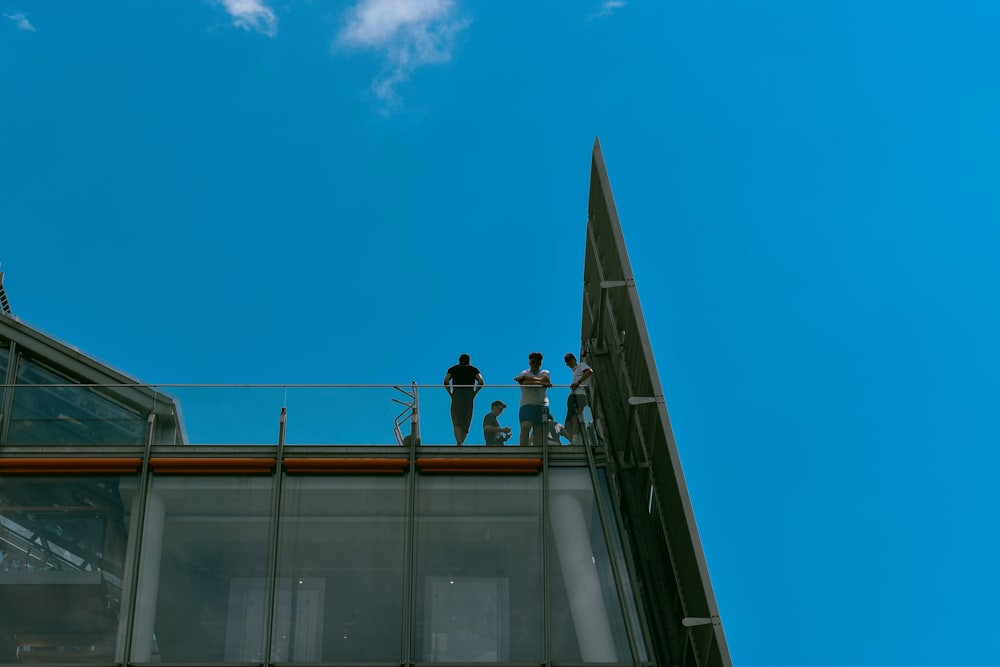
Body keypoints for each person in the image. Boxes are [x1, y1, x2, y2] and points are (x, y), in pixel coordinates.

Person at [443, 353, 484, 445]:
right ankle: (461, 443)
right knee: (466, 421)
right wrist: (474, 393)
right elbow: (481, 381)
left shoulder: (453, 369)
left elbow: (446, 381)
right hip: (468, 396)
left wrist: (450, 393)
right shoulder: (474, 370)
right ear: (469, 361)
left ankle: (459, 442)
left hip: (457, 395)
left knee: (456, 421)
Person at [514, 351, 551, 446]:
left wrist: (526, 378)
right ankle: (523, 451)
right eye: (533, 362)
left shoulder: (545, 372)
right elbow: (524, 383)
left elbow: (546, 380)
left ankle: (537, 453)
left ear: (540, 363)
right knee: (525, 427)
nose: (535, 364)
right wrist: (541, 382)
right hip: (527, 404)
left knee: (539, 431)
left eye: (537, 362)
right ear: (529, 362)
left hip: (542, 405)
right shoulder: (524, 372)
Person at [564, 352, 594, 444]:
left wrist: (578, 382)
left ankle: (576, 439)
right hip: (574, 395)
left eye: (571, 360)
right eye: (568, 361)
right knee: (567, 424)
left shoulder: (581, 365)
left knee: (574, 417)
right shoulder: (575, 371)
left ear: (575, 360)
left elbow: (589, 371)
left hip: (579, 395)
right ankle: (577, 439)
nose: (570, 362)